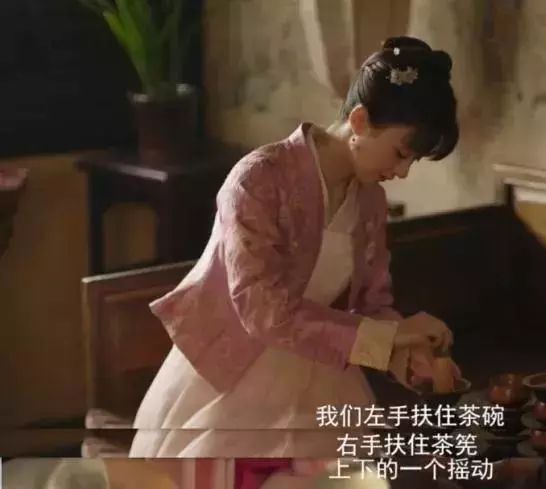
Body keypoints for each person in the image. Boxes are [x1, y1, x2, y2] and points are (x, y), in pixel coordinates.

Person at [129, 35, 461, 459]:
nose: (402, 172)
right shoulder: (258, 179)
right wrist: (391, 335)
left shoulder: (370, 201)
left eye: (412, 161)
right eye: (401, 153)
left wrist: (412, 358)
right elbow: (262, 309)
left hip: (323, 373)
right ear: (360, 120)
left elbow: (371, 304)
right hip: (233, 373)